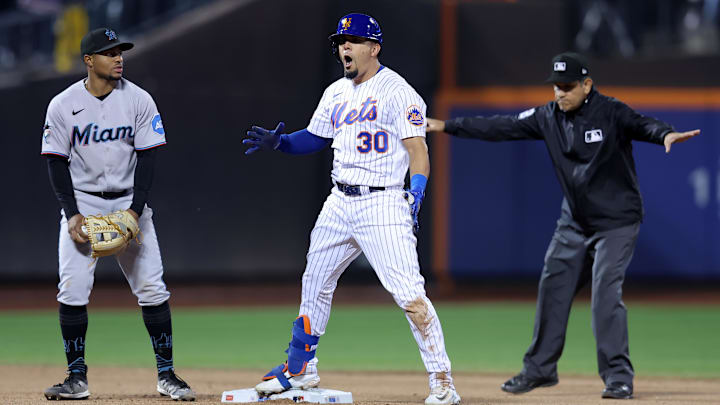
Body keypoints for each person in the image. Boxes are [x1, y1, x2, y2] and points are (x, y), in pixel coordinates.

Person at [426, 52, 699, 400]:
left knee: (604, 296)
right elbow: (500, 126)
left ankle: (618, 377)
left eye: (568, 87)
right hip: (574, 222)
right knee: (553, 287)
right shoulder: (546, 117)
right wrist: (447, 125)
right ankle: (540, 370)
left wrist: (665, 135)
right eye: (556, 87)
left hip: (616, 223)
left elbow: (642, 124)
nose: (560, 93)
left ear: (587, 84)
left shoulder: (611, 111)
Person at [242, 13, 461, 405]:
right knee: (315, 283)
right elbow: (314, 138)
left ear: (374, 48)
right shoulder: (335, 93)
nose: (345, 47)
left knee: (410, 296)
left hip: (383, 202)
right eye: (341, 40)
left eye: (354, 40)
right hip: (339, 201)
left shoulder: (399, 92)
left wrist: (417, 194)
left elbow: (418, 152)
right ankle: (302, 370)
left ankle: (442, 380)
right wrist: (282, 143)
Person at [40, 27, 195, 401]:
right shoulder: (63, 104)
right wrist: (72, 214)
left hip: (129, 201)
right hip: (85, 204)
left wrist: (135, 212)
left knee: (153, 288)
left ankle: (167, 375)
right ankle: (76, 378)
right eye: (109, 52)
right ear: (89, 60)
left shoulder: (140, 100)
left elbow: (148, 158)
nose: (119, 57)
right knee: (73, 289)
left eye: (121, 51)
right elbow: (57, 164)